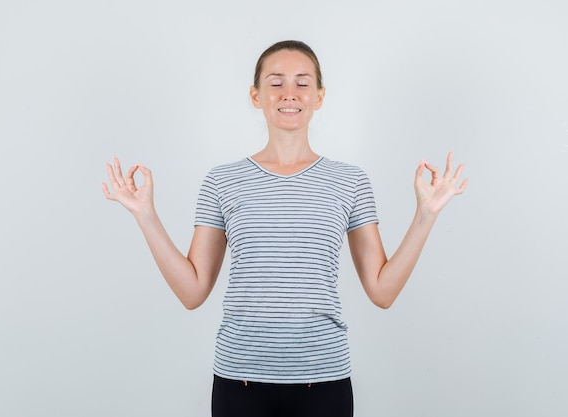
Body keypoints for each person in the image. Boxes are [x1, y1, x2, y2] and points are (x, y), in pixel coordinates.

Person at [102, 40, 468, 417]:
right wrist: (145, 214)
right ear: (256, 95)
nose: (289, 94)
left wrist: (426, 214)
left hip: (324, 382)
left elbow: (382, 290)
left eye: (302, 83)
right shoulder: (222, 182)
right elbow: (192, 291)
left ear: (320, 96)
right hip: (238, 382)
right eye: (276, 83)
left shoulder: (350, 182)